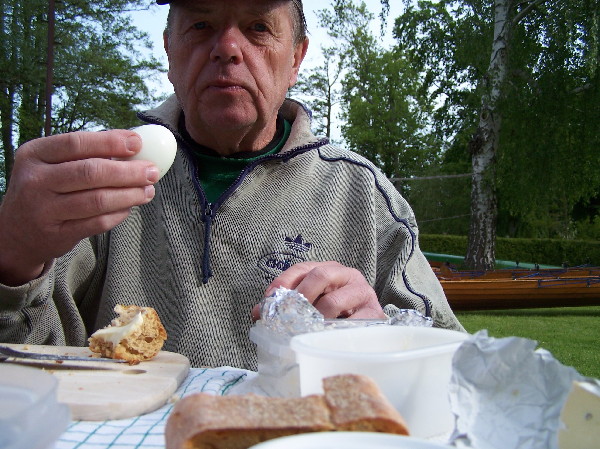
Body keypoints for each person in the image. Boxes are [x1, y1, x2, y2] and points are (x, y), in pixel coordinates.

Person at [0, 0, 464, 369]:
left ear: (296, 58)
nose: (226, 48)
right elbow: (27, 363)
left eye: (258, 27)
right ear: (169, 50)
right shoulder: (92, 181)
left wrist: (383, 340)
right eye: (201, 25)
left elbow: (457, 370)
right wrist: (12, 259)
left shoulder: (363, 197)